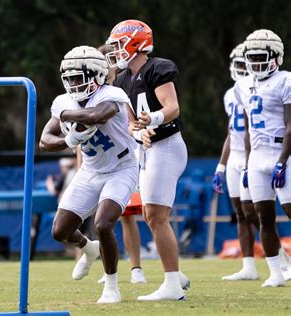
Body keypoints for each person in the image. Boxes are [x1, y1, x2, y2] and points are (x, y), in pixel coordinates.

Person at [39, 45, 139, 303]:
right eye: (69, 78)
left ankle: (112, 286)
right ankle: (89, 248)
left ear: (95, 75)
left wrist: (64, 115)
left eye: (77, 77)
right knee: (60, 231)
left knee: (103, 223)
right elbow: (45, 140)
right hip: (91, 171)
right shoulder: (63, 100)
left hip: (121, 168)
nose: (72, 83)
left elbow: (98, 114)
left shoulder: (112, 94)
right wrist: (68, 140)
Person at [105, 19, 189, 301]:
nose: (115, 52)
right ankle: (175, 274)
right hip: (148, 149)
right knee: (151, 216)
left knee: (156, 216)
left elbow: (172, 107)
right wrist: (137, 133)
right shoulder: (122, 79)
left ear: (136, 43)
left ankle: (173, 284)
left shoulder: (157, 68)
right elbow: (130, 123)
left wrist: (153, 119)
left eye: (118, 45)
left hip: (166, 145)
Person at [235, 29, 291, 287]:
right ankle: (276, 273)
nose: (256, 63)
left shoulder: (286, 80)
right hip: (257, 157)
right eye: (252, 57)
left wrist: (282, 160)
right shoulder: (242, 85)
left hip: (283, 153)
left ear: (276, 57)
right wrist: (247, 164)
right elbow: (247, 129)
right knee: (262, 216)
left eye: (261, 57)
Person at [96, 44, 147, 284]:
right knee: (104, 217)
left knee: (144, 213)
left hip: (130, 156)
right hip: (101, 161)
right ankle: (107, 267)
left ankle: (138, 267)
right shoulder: (93, 89)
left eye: (112, 58)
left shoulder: (125, 83)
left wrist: (141, 135)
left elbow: (133, 122)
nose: (110, 63)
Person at [212, 43, 261, 280]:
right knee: (241, 213)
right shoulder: (230, 94)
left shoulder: (258, 88)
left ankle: (282, 258)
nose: (241, 68)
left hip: (256, 155)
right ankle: (248, 265)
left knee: (254, 211)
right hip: (236, 156)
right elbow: (232, 133)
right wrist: (221, 166)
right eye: (238, 64)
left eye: (245, 64)